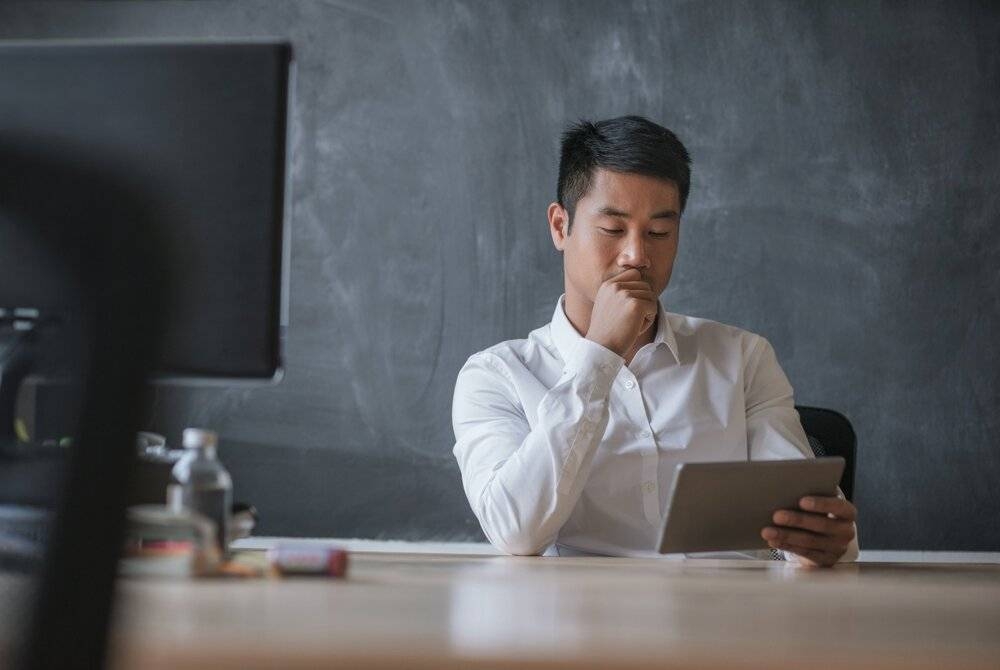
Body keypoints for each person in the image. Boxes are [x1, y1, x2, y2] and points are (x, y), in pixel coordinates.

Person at [452, 116, 858, 566]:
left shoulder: (742, 359)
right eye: (612, 229)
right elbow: (515, 532)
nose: (637, 256)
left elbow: (804, 522)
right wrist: (599, 356)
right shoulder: (497, 376)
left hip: (730, 622)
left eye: (659, 233)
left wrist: (821, 541)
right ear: (560, 226)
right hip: (579, 623)